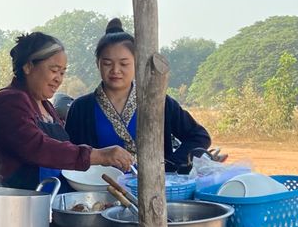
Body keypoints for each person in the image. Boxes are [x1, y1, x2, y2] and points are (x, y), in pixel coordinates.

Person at [0, 32, 134, 190]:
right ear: (28, 66)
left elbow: (65, 152)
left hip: (44, 201)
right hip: (8, 201)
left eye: (62, 72)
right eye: (54, 70)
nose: (59, 79)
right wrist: (101, 155)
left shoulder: (46, 106)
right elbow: (38, 148)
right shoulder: (9, 101)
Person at [65, 19, 212, 173]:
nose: (115, 70)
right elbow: (69, 155)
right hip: (96, 190)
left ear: (137, 64)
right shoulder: (81, 108)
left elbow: (199, 137)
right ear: (98, 64)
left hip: (153, 191)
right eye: (108, 63)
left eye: (124, 64)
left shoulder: (157, 102)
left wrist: (170, 166)